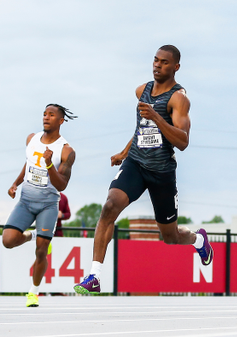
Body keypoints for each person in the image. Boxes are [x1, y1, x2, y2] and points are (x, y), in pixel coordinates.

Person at [74, 45, 214, 295]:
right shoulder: (142, 91)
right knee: (109, 206)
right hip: (136, 164)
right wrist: (124, 152)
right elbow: (141, 128)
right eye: (155, 60)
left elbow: (183, 141)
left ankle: (199, 240)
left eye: (164, 62)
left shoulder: (178, 99)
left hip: (161, 173)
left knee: (170, 237)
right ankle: (94, 276)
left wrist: (158, 117)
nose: (157, 65)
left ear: (176, 67)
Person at [3, 104, 76, 307]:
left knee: (41, 251)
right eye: (44, 114)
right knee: (8, 241)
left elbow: (61, 185)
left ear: (61, 121)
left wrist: (50, 164)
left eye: (51, 115)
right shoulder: (31, 139)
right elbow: (28, 163)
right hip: (26, 201)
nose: (46, 117)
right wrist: (15, 183)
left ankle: (33, 293)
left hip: (47, 204)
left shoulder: (66, 150)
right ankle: (33, 234)